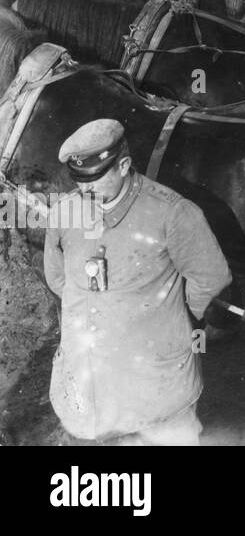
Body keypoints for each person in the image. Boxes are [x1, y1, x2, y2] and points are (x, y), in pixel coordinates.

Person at [44, 119, 231, 445]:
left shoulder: (173, 213)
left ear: (124, 165)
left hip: (155, 385)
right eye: (78, 182)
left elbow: (211, 276)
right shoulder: (64, 212)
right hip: (89, 388)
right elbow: (58, 278)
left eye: (93, 180)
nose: (84, 191)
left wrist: (174, 319)